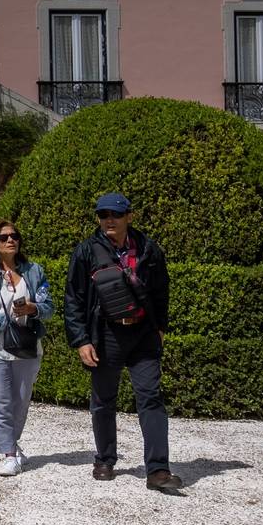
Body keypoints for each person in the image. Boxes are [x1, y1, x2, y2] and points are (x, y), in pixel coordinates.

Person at [64, 192, 180, 493]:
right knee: (103, 401)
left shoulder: (148, 249)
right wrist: (81, 340)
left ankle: (157, 470)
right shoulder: (86, 251)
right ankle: (104, 459)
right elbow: (74, 298)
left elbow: (161, 291)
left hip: (143, 335)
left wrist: (160, 327)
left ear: (129, 216)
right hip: (107, 334)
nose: (109, 220)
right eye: (103, 215)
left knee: (151, 398)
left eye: (115, 215)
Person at [0, 218, 51, 477]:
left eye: (14, 236)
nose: (11, 240)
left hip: (26, 342)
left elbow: (49, 308)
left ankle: (11, 445)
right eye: (3, 237)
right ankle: (9, 454)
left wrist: (33, 309)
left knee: (21, 399)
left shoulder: (35, 271)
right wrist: (6, 321)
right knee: (0, 400)